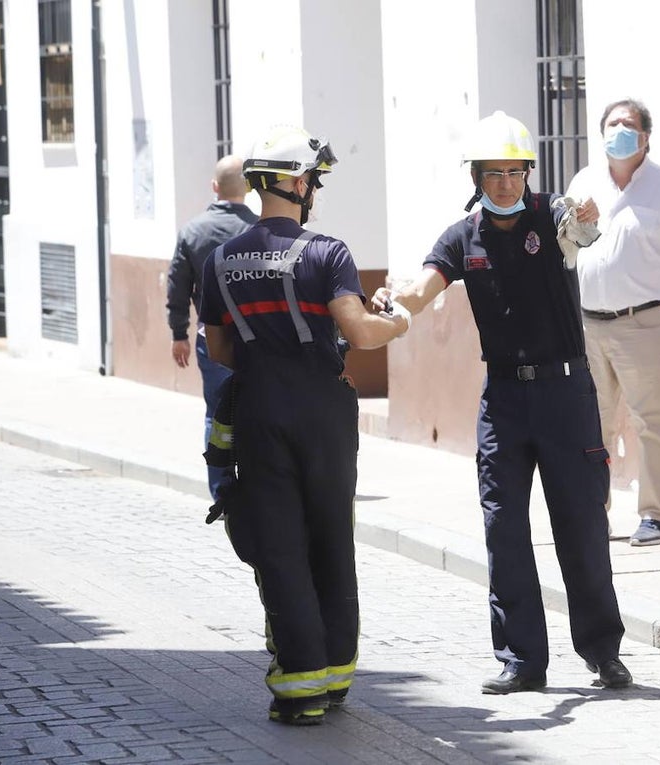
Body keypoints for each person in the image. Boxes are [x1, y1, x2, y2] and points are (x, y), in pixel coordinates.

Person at [372, 111, 632, 695]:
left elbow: (583, 233)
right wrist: (393, 302)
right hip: (505, 399)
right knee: (503, 527)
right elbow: (422, 288)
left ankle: (602, 651)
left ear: (528, 173)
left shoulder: (553, 216)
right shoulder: (462, 237)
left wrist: (588, 219)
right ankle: (522, 660)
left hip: (567, 394)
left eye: (516, 172)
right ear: (477, 177)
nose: (507, 184)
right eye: (495, 174)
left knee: (582, 524)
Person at [200, 126, 410, 724]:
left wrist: (269, 364)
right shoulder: (328, 252)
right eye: (312, 180)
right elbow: (363, 332)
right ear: (297, 183)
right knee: (330, 539)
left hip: (261, 408)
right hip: (324, 408)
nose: (313, 189)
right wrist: (396, 323)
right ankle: (338, 678)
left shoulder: (220, 260)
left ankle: (301, 691)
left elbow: (219, 350)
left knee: (281, 547)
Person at [565, 99, 660, 547]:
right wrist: (573, 222)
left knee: (650, 422)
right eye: (613, 124)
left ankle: (657, 516)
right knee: (592, 423)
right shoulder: (583, 182)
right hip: (589, 325)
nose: (620, 131)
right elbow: (567, 249)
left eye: (629, 125)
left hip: (643, 324)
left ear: (645, 136)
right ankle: (595, 513)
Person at [166, 154, 258, 500]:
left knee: (216, 412)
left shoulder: (192, 231)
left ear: (214, 187)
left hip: (211, 338)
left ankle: (221, 489)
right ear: (248, 188)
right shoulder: (258, 230)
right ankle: (257, 482)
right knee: (257, 407)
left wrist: (179, 334)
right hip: (257, 336)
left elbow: (177, 286)